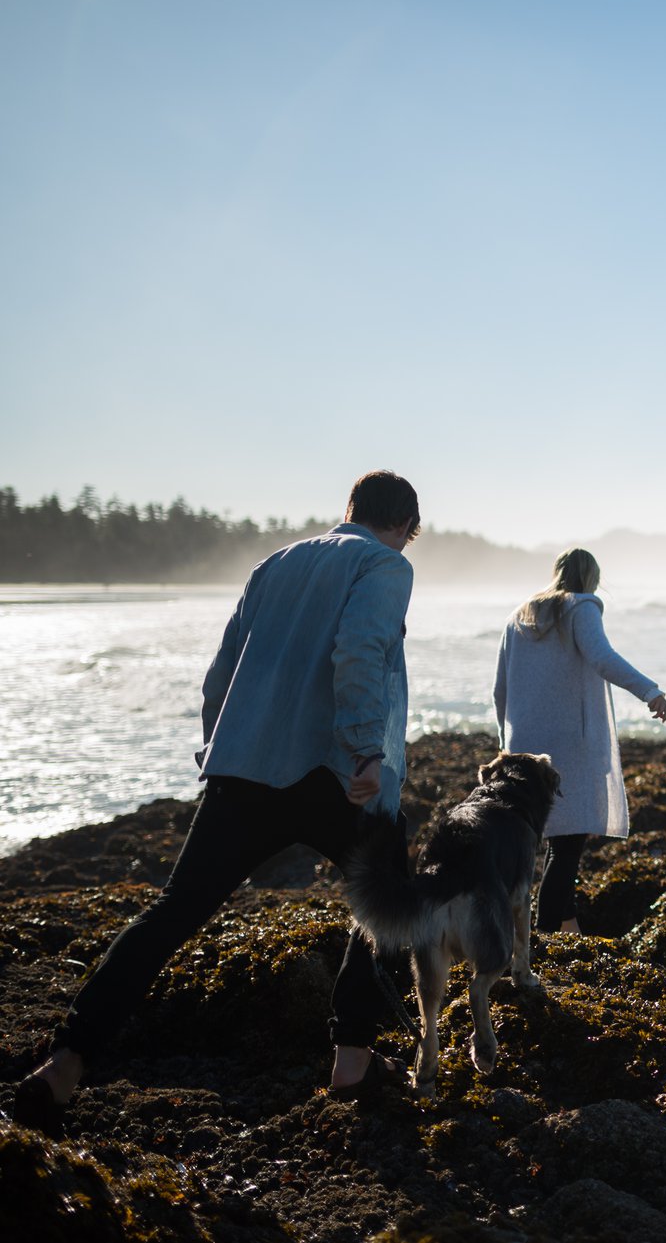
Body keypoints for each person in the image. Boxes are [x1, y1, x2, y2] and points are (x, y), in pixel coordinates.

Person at [10, 470, 422, 1132]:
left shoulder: (276, 562)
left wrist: (218, 747)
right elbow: (360, 650)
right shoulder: (383, 564)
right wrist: (366, 749)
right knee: (389, 901)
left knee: (173, 914)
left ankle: (63, 1063)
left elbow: (222, 672)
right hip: (332, 775)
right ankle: (352, 1061)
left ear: (348, 509)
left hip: (244, 769)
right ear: (404, 526)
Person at [494, 547, 666, 934]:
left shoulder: (518, 616)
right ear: (591, 578)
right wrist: (649, 691)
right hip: (570, 745)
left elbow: (499, 689)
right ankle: (544, 938)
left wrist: (506, 744)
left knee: (548, 843)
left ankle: (570, 934)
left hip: (524, 748)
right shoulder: (581, 607)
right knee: (568, 846)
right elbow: (602, 657)